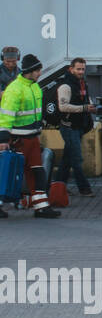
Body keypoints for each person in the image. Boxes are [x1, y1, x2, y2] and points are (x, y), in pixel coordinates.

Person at [0, 54, 60, 219]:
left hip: (32, 138)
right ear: (30, 71)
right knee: (8, 172)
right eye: (38, 70)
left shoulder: (34, 87)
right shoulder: (15, 89)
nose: (40, 73)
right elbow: (6, 115)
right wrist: (3, 140)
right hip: (17, 139)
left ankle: (40, 206)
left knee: (37, 172)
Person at [55, 57, 95, 197]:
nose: (81, 71)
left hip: (77, 127)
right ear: (71, 69)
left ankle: (58, 186)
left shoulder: (82, 83)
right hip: (69, 127)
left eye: (83, 69)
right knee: (77, 159)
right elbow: (63, 107)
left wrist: (89, 106)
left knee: (68, 158)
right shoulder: (66, 86)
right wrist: (84, 108)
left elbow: (84, 100)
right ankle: (84, 188)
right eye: (78, 69)